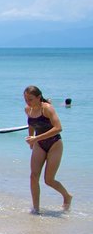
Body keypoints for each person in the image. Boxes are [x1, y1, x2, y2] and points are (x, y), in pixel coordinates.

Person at [24, 85, 72, 214]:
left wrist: (36, 138)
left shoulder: (47, 108)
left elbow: (58, 128)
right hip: (39, 144)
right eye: (26, 99)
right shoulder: (28, 109)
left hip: (54, 143)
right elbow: (31, 123)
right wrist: (32, 139)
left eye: (31, 99)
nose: (28, 102)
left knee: (49, 180)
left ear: (39, 97)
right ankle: (36, 209)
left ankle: (67, 196)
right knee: (33, 176)